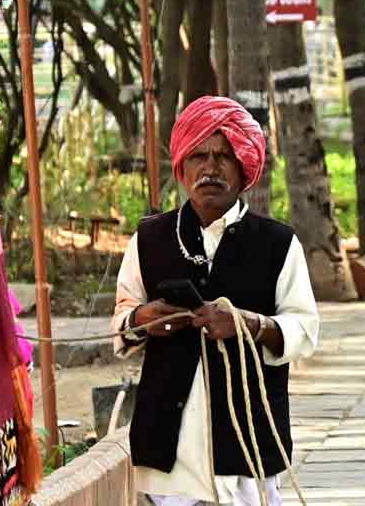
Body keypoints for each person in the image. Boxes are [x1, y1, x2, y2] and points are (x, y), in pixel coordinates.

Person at [112, 97, 320, 506]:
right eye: (200, 156)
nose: (210, 168)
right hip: (167, 451)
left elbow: (305, 328)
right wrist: (144, 318)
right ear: (183, 167)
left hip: (247, 446)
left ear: (244, 169)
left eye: (224, 157)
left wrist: (251, 324)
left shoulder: (278, 244)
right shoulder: (150, 238)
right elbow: (123, 316)